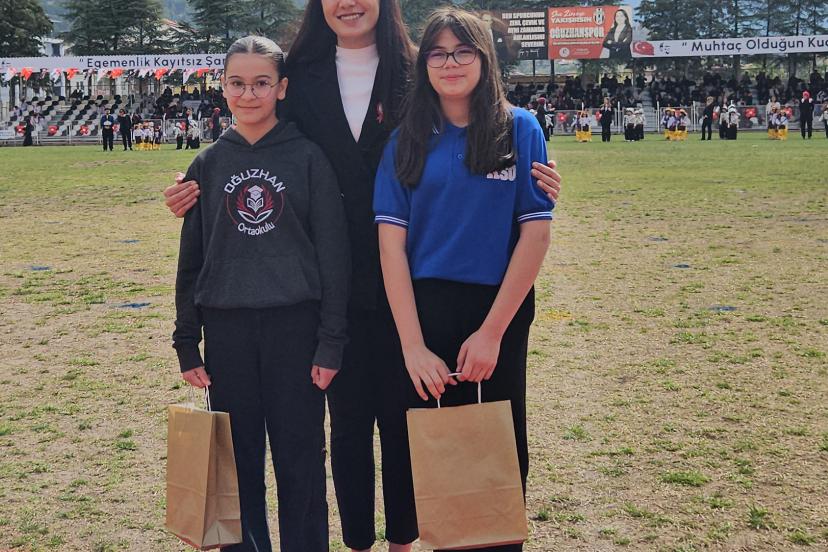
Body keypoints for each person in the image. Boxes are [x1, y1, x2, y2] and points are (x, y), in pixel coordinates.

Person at [163, 1, 562, 549]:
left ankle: (412, 539)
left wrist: (537, 180)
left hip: (412, 279)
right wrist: (197, 184)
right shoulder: (299, 75)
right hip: (328, 282)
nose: (349, 3)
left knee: (417, 427)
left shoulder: (417, 68)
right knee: (345, 426)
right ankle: (357, 540)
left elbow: (501, 164)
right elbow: (254, 142)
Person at [373, 9, 554, 551]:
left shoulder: (519, 129)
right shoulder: (404, 140)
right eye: (437, 53)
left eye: (462, 51)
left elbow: (534, 235)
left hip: (496, 311)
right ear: (423, 63)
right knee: (424, 450)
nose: (450, 63)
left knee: (494, 449)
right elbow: (391, 247)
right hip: (422, 313)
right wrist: (412, 347)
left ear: (484, 58)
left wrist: (492, 334)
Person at [173, 36, 349, 552]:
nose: (248, 94)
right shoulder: (207, 164)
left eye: (261, 83)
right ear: (223, 87)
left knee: (301, 462)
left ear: (282, 88)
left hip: (296, 331)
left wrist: (331, 341)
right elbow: (192, 261)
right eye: (237, 83)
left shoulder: (308, 158)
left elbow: (333, 256)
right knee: (236, 464)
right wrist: (186, 341)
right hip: (226, 333)